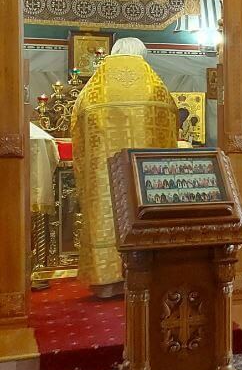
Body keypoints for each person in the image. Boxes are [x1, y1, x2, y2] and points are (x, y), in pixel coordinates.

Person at [71, 38, 178, 298]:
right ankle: (144, 275)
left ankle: (106, 283)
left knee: (106, 212)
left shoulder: (96, 88)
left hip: (104, 172)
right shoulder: (155, 86)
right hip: (145, 173)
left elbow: (77, 121)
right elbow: (172, 121)